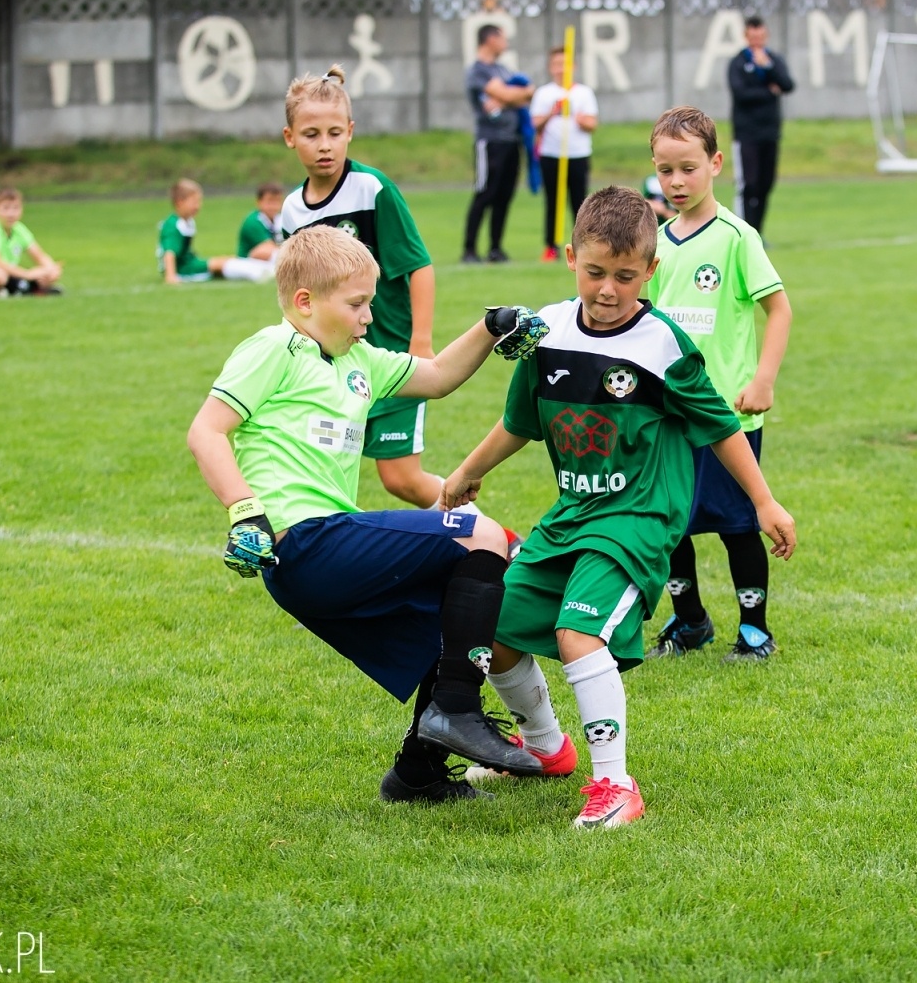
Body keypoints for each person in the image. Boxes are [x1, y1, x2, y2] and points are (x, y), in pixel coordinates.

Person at [441, 186, 797, 828]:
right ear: (572, 256)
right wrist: (469, 469)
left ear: (650, 271)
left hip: (637, 518)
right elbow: (520, 420)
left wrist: (764, 502)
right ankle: (547, 749)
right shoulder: (545, 333)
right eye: (596, 272)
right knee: (495, 626)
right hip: (573, 511)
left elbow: (720, 425)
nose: (608, 289)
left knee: (578, 631)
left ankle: (616, 788)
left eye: (626, 277)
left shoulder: (662, 344)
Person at [187, 225, 550, 803]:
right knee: (481, 535)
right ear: (305, 302)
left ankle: (418, 774)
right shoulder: (272, 349)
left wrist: (490, 327)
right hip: (305, 541)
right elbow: (207, 430)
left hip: (327, 552)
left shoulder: (359, 362)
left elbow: (436, 378)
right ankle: (457, 710)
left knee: (452, 629)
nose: (366, 317)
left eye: (370, 304)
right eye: (356, 304)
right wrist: (245, 512)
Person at [277, 66, 462, 512]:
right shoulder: (290, 211)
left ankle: (496, 541)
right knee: (325, 469)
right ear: (289, 137)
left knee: (401, 478)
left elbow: (418, 267)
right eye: (311, 134)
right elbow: (296, 298)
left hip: (392, 353)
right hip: (336, 365)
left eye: (335, 133)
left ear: (351, 132)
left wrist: (420, 343)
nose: (324, 145)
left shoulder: (372, 189)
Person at [646, 106, 793, 663]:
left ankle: (754, 630)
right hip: (669, 413)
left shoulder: (736, 237)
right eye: (665, 171)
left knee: (737, 522)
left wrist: (763, 379)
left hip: (728, 411)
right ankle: (689, 622)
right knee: (672, 523)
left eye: (687, 168)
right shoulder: (655, 245)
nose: (676, 182)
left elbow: (778, 311)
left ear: (715, 163)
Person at [463, 25, 534, 263]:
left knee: (505, 195)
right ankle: (470, 249)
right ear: (490, 39)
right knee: (485, 193)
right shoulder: (478, 71)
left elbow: (527, 92)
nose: (506, 42)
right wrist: (511, 96)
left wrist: (509, 96)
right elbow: (509, 95)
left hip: (512, 141)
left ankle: (495, 248)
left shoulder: (502, 70)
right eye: (502, 38)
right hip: (490, 141)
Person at [725, 16, 794, 237]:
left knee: (766, 184)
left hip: (770, 132)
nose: (757, 41)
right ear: (746, 36)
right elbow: (741, 94)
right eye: (753, 36)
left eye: (760, 36)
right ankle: (744, 234)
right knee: (749, 184)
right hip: (747, 134)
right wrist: (769, 91)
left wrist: (768, 68)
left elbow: (787, 84)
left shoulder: (773, 59)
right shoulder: (738, 63)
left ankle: (758, 233)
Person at [530, 46, 599, 262]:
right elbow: (535, 123)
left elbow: (592, 123)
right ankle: (551, 246)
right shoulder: (544, 93)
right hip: (551, 155)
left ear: (574, 66)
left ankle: (583, 245)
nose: (561, 69)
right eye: (557, 64)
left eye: (565, 64)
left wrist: (578, 118)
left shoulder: (583, 93)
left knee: (579, 203)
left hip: (577, 155)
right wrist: (552, 112)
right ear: (551, 68)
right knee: (552, 202)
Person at [158, 180, 273, 285]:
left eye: (199, 202)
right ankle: (259, 273)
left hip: (189, 263)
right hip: (184, 269)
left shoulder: (185, 221)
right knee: (220, 263)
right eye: (194, 202)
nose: (198, 206)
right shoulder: (173, 225)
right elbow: (169, 253)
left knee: (225, 259)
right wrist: (171, 276)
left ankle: (265, 269)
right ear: (180, 202)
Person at [0, 187, 62, 296]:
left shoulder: (20, 229)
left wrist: (50, 269)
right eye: (6, 208)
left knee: (48, 270)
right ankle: (8, 289)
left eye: (15, 208)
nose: (11, 213)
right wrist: (27, 274)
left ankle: (23, 289)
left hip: (11, 276)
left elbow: (39, 255)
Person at [237, 181, 285, 262]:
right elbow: (268, 247)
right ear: (259, 202)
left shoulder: (280, 219)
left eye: (277, 201)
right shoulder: (253, 221)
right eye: (270, 201)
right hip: (248, 262)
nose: (273, 205)